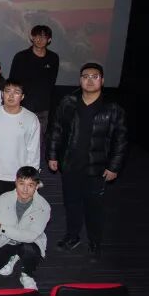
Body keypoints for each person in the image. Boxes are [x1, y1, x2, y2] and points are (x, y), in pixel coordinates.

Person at [47, 62, 128, 261]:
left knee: (94, 208)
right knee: (71, 204)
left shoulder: (113, 108)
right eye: (85, 76)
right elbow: (56, 129)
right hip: (70, 165)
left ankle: (94, 242)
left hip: (97, 169)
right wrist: (52, 155)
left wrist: (114, 167)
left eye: (94, 76)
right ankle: (72, 237)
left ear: (102, 80)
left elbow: (121, 140)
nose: (90, 80)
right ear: (80, 80)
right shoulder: (68, 102)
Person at [0, 79, 40, 215]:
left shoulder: (31, 118)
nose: (11, 95)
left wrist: (32, 176)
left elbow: (33, 150)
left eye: (16, 92)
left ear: (22, 96)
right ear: (2, 94)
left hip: (19, 177)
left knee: (16, 215)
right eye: (7, 91)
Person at [0, 166, 51, 291]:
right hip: (6, 241)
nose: (25, 189)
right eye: (22, 183)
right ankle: (13, 256)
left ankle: (27, 274)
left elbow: (31, 236)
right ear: (15, 182)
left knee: (29, 250)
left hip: (29, 242)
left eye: (30, 185)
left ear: (37, 186)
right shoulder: (1, 200)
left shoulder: (43, 206)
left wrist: (2, 228)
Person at [9, 25, 60, 167]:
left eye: (43, 36)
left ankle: (33, 170)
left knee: (37, 143)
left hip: (43, 108)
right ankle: (14, 167)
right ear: (31, 37)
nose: (39, 39)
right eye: (37, 35)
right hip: (22, 107)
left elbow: (51, 83)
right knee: (18, 140)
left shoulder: (53, 58)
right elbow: (13, 82)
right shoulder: (21, 57)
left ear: (49, 39)